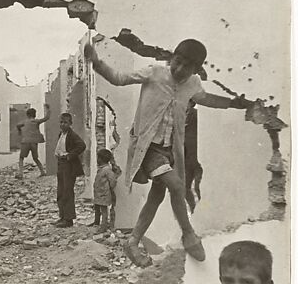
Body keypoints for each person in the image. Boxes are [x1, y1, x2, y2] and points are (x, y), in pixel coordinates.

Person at [84, 39, 251, 267]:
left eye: (188, 67)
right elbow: (119, 79)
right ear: (172, 58)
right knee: (177, 186)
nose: (180, 70)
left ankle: (133, 241)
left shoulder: (193, 84)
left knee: (157, 196)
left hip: (170, 150)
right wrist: (97, 62)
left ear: (196, 70)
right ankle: (188, 235)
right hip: (149, 148)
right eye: (178, 62)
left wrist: (233, 103)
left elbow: (207, 99)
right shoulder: (154, 73)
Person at [54, 112, 87, 228]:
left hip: (68, 166)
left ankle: (68, 220)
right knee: (60, 192)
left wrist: (70, 155)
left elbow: (82, 145)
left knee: (67, 191)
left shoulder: (72, 135)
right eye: (61, 122)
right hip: (61, 164)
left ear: (70, 124)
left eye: (66, 123)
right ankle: (62, 216)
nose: (63, 125)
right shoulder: (61, 134)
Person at [16, 104, 51, 179]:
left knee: (21, 157)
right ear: (34, 115)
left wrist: (20, 131)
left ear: (27, 115)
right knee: (35, 158)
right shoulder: (37, 121)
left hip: (25, 141)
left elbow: (18, 125)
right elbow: (46, 118)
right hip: (34, 142)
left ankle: (21, 174)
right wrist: (48, 109)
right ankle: (42, 172)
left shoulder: (25, 122)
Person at [87, 149, 117, 233]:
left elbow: (113, 180)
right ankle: (96, 222)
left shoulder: (107, 170)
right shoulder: (102, 169)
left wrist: (110, 188)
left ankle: (103, 226)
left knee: (103, 210)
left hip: (104, 193)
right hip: (99, 193)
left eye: (98, 158)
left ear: (101, 159)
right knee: (97, 208)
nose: (97, 159)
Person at [184, 99, 203, 213]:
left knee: (197, 188)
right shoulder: (176, 118)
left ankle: (200, 212)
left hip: (197, 159)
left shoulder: (196, 116)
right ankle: (193, 212)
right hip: (185, 160)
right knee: (185, 189)